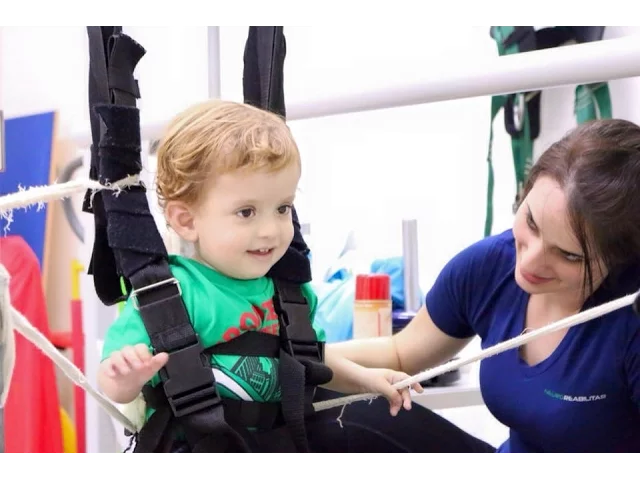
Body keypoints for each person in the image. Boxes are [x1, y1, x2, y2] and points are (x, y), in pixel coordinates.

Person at [96, 98, 423, 452]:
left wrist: (367, 379)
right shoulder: (175, 297)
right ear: (187, 221)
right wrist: (126, 377)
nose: (270, 230)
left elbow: (312, 361)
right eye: (246, 212)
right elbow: (113, 385)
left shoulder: (290, 297)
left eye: (282, 208)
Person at [324, 118, 640, 453]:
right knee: (330, 410)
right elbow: (400, 354)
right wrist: (297, 359)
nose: (530, 262)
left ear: (620, 256)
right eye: (531, 223)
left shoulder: (630, 317)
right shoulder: (490, 265)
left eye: (568, 255)